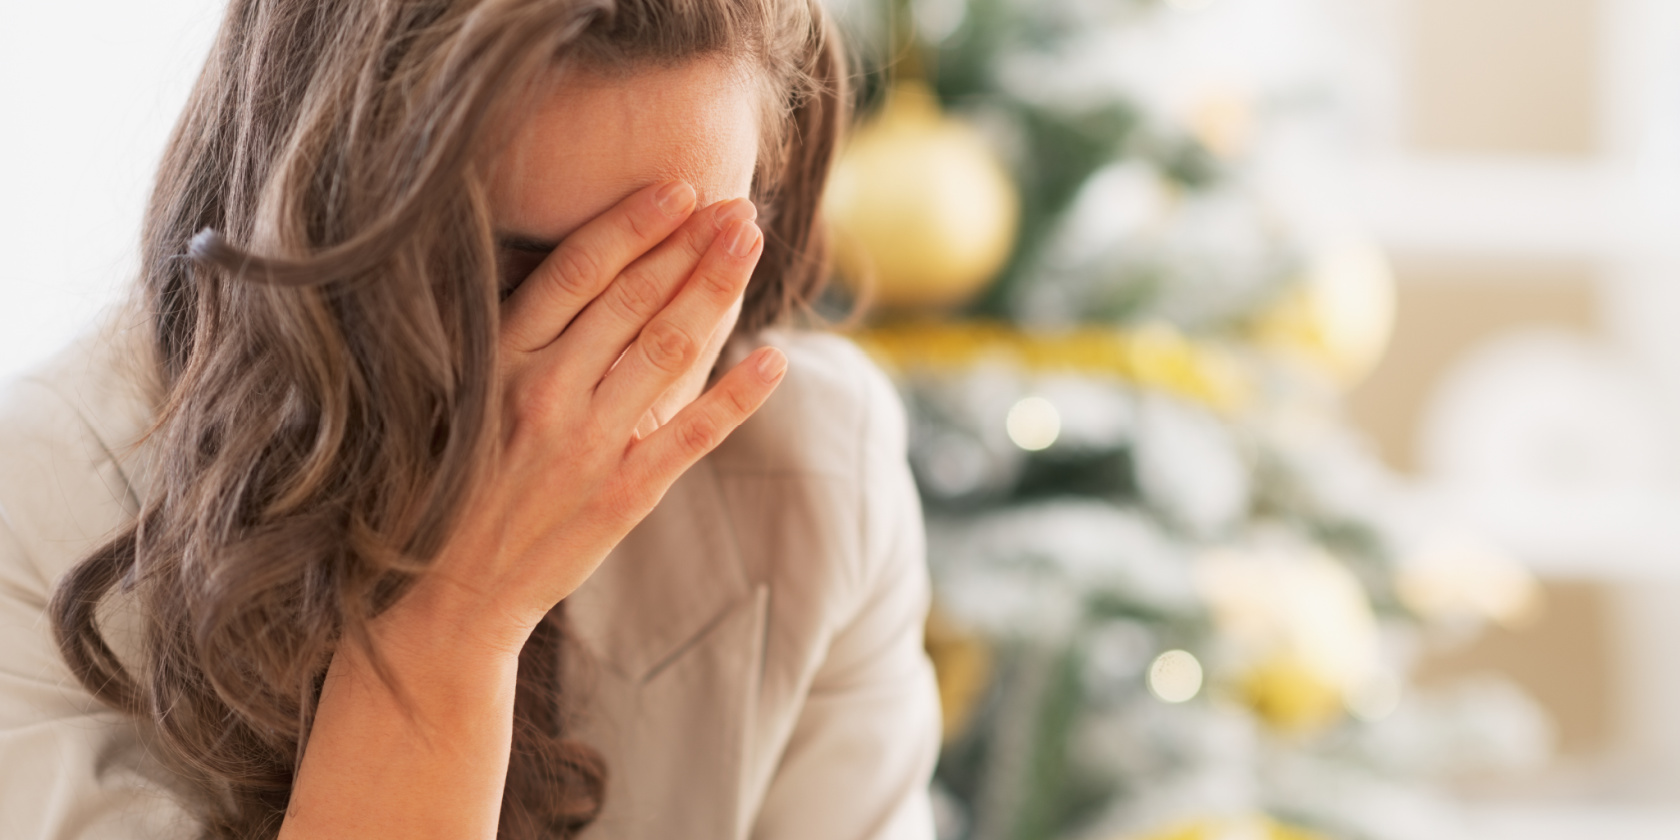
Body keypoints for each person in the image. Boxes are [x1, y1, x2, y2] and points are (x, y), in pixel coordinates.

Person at [0, 0, 941, 838]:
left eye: (677, 268)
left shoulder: (818, 462)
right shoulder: (37, 494)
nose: (603, 357)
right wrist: (453, 625)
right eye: (519, 275)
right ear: (324, 218)